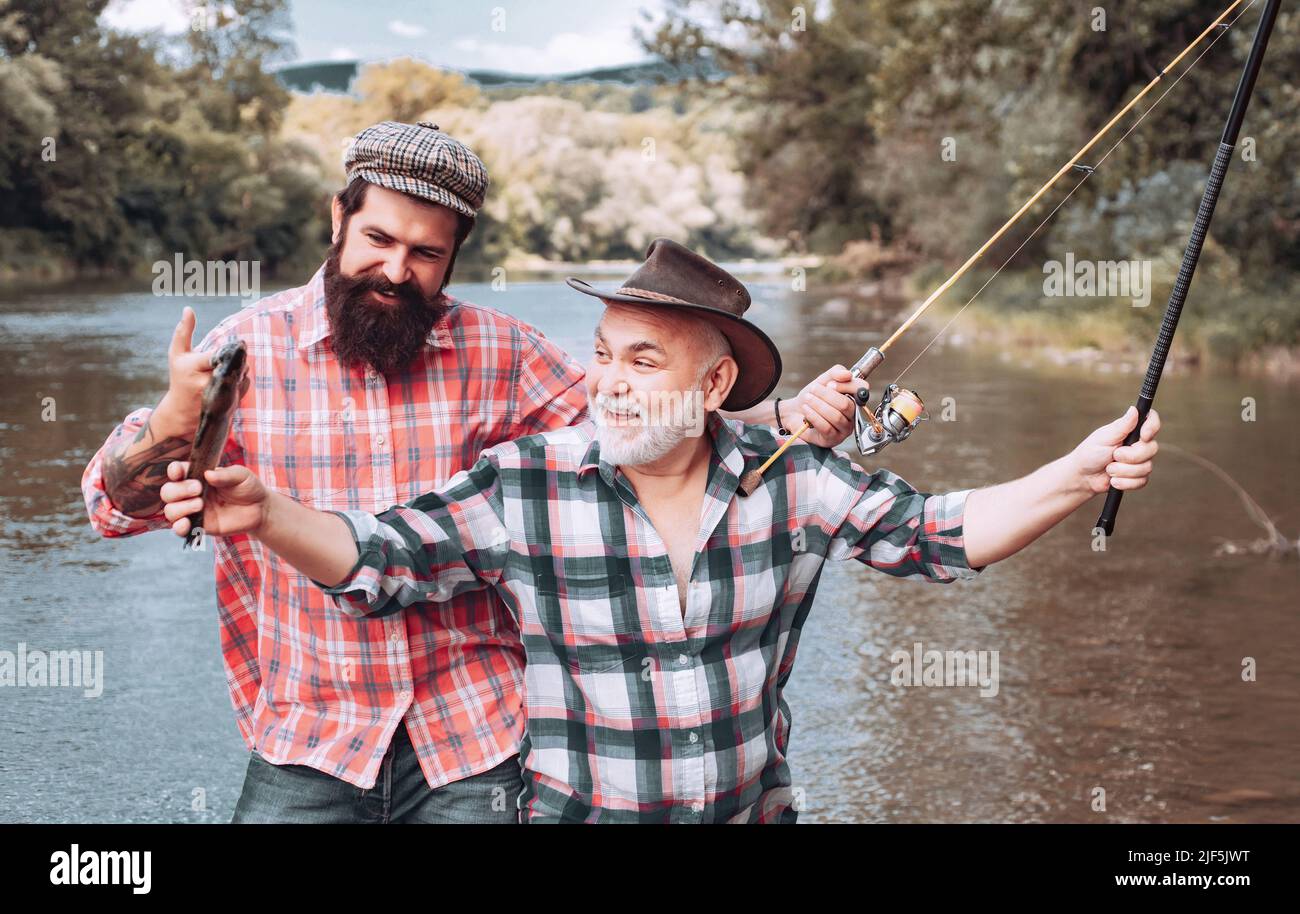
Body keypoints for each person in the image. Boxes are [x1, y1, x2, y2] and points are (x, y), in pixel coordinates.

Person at [156, 239, 1163, 823]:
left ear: (715, 384)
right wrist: (268, 515)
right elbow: (379, 555)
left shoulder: (794, 481)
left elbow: (939, 534)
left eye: (643, 359)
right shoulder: (527, 485)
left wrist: (1073, 473)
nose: (606, 380)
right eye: (601, 354)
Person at [80, 122, 862, 823]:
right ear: (336, 219)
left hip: (473, 736)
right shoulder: (245, 345)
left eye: (425, 254)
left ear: (455, 256)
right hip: (307, 735)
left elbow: (641, 432)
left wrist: (785, 419)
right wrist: (174, 422)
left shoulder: (502, 350)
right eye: (377, 239)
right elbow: (112, 508)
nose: (394, 269)